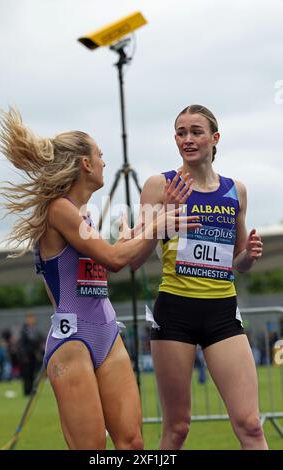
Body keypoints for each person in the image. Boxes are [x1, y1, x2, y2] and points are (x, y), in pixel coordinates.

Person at [0, 107, 199, 450]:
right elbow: (115, 259)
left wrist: (157, 218)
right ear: (84, 164)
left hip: (106, 331)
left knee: (132, 443)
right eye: (100, 155)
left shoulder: (85, 214)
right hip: (73, 339)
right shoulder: (58, 209)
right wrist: (155, 226)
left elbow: (126, 258)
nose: (105, 162)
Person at [132, 104, 268, 450]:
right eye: (181, 133)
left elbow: (238, 263)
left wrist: (249, 256)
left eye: (196, 131)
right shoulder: (159, 185)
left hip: (222, 311)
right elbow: (133, 255)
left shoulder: (235, 190)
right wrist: (163, 215)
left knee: (251, 425)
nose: (187, 139)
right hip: (175, 311)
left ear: (215, 138)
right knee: (177, 428)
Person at [18, 314, 44, 395]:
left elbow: (38, 341)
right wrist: (24, 356)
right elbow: (22, 344)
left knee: (33, 374)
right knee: (27, 374)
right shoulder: (24, 330)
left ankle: (32, 390)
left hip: (33, 355)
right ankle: (26, 391)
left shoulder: (35, 330)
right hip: (26, 356)